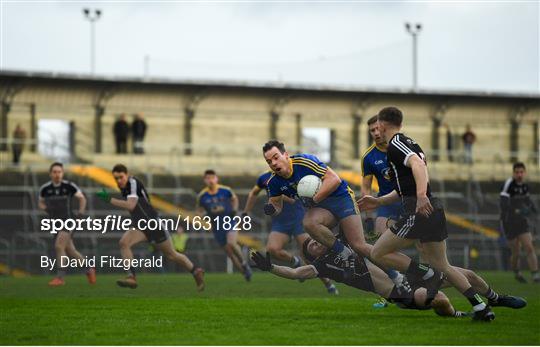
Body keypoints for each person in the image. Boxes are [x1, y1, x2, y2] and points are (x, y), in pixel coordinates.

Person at [358, 106, 495, 321]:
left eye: (378, 127)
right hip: (432, 209)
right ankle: (481, 307)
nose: (376, 131)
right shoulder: (409, 142)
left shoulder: (396, 145)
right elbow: (407, 184)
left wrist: (421, 196)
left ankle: (425, 272)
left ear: (382, 125)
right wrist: (378, 201)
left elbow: (418, 165)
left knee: (377, 253)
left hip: (417, 210)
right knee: (443, 266)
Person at [262, 140, 423, 293]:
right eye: (269, 161)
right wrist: (271, 209)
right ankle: (345, 253)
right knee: (308, 222)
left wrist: (314, 199)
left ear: (286, 155)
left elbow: (334, 179)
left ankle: (397, 277)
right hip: (322, 208)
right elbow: (276, 205)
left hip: (342, 199)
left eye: (276, 157)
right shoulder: (273, 182)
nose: (274, 163)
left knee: (360, 245)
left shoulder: (304, 162)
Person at [250, 238, 526, 317]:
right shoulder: (322, 267)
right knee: (437, 299)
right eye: (309, 245)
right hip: (400, 294)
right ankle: (460, 315)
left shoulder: (348, 244)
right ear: (311, 254)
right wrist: (270, 267)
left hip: (411, 274)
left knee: (465, 273)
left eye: (316, 241)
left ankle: (495, 298)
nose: (314, 244)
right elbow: (296, 272)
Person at [96, 164, 205, 290]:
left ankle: (195, 270)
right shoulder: (125, 187)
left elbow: (131, 205)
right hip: (141, 226)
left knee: (172, 255)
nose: (119, 180)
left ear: (127, 174)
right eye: (116, 178)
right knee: (124, 243)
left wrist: (109, 200)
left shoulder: (133, 183)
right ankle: (131, 277)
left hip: (152, 224)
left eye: (121, 177)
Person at [243, 170, 338, 294]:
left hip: (298, 219)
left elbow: (292, 200)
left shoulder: (292, 175)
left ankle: (328, 284)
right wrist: (246, 212)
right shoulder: (264, 178)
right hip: (280, 222)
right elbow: (253, 193)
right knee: (272, 249)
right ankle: (295, 261)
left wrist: (276, 194)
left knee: (310, 256)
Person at [361, 115, 404, 307]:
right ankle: (390, 288)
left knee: (423, 247)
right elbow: (366, 188)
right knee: (378, 249)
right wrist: (368, 215)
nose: (376, 133)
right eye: (372, 130)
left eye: (378, 129)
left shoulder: (401, 147)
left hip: (407, 200)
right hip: (385, 203)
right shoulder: (369, 157)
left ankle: (426, 279)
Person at [39, 162, 96, 286]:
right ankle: (89, 269)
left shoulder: (69, 186)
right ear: (50, 174)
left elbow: (82, 198)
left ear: (62, 173)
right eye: (54, 172)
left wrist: (80, 214)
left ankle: (60, 278)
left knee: (59, 246)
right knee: (70, 250)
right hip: (55, 222)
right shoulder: (45, 189)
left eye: (59, 172)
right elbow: (41, 202)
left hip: (68, 220)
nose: (57, 174)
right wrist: (46, 209)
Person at [196, 169, 252, 281]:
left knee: (231, 243)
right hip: (216, 227)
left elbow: (234, 199)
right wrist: (206, 216)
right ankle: (245, 273)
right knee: (230, 254)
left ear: (216, 179)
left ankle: (244, 263)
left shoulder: (225, 190)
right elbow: (198, 211)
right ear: (204, 180)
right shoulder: (202, 196)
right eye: (208, 178)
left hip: (229, 221)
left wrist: (234, 210)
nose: (210, 180)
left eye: (212, 177)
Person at [500, 162, 539, 283]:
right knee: (516, 251)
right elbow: (503, 204)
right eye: (517, 172)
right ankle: (517, 272)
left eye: (521, 172)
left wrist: (533, 210)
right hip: (509, 222)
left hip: (522, 222)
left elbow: (528, 201)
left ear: (524, 173)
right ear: (513, 173)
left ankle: (535, 274)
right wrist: (518, 210)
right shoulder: (508, 184)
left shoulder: (525, 187)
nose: (519, 174)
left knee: (529, 247)